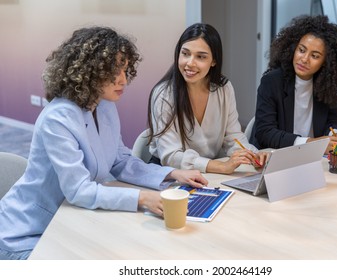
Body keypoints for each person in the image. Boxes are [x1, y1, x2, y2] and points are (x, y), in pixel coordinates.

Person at [0, 26, 208, 260]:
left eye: (125, 69)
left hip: (68, 223)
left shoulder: (104, 106)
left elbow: (120, 161)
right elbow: (78, 190)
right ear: (89, 72)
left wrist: (172, 174)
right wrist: (141, 197)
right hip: (25, 235)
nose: (123, 80)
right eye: (113, 72)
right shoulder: (58, 119)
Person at [147, 23, 268, 175]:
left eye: (200, 57)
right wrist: (221, 167)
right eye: (185, 54)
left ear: (214, 61)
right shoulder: (164, 94)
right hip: (170, 173)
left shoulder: (224, 88)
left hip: (208, 173)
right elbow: (171, 156)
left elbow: (233, 137)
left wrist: (253, 155)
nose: (190, 63)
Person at [249, 15, 337, 154]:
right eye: (301, 50)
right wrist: (309, 143)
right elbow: (265, 133)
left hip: (313, 160)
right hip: (276, 158)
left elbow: (334, 121)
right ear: (293, 49)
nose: (304, 59)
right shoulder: (272, 82)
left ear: (326, 63)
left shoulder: (326, 85)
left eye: (315, 56)